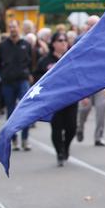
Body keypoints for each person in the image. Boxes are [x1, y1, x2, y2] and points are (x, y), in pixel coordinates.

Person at [35, 32, 78, 166]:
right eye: (60, 40)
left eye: (65, 40)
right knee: (57, 127)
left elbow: (79, 76)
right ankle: (59, 152)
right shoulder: (45, 61)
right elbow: (37, 80)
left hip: (70, 98)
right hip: (53, 100)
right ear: (53, 43)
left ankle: (66, 146)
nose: (64, 42)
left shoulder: (72, 58)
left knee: (71, 127)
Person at [0, 20, 32, 151]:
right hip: (8, 82)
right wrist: (4, 75)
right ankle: (14, 139)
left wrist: (27, 73)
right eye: (10, 27)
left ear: (19, 28)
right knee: (11, 111)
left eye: (14, 27)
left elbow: (31, 61)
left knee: (26, 110)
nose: (12, 29)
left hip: (23, 80)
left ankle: (25, 138)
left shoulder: (26, 44)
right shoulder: (2, 46)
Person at [76, 15, 105, 146]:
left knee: (101, 109)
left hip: (101, 81)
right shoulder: (79, 40)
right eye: (89, 24)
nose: (90, 27)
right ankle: (79, 127)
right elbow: (75, 62)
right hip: (85, 81)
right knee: (85, 108)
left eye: (93, 24)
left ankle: (98, 137)